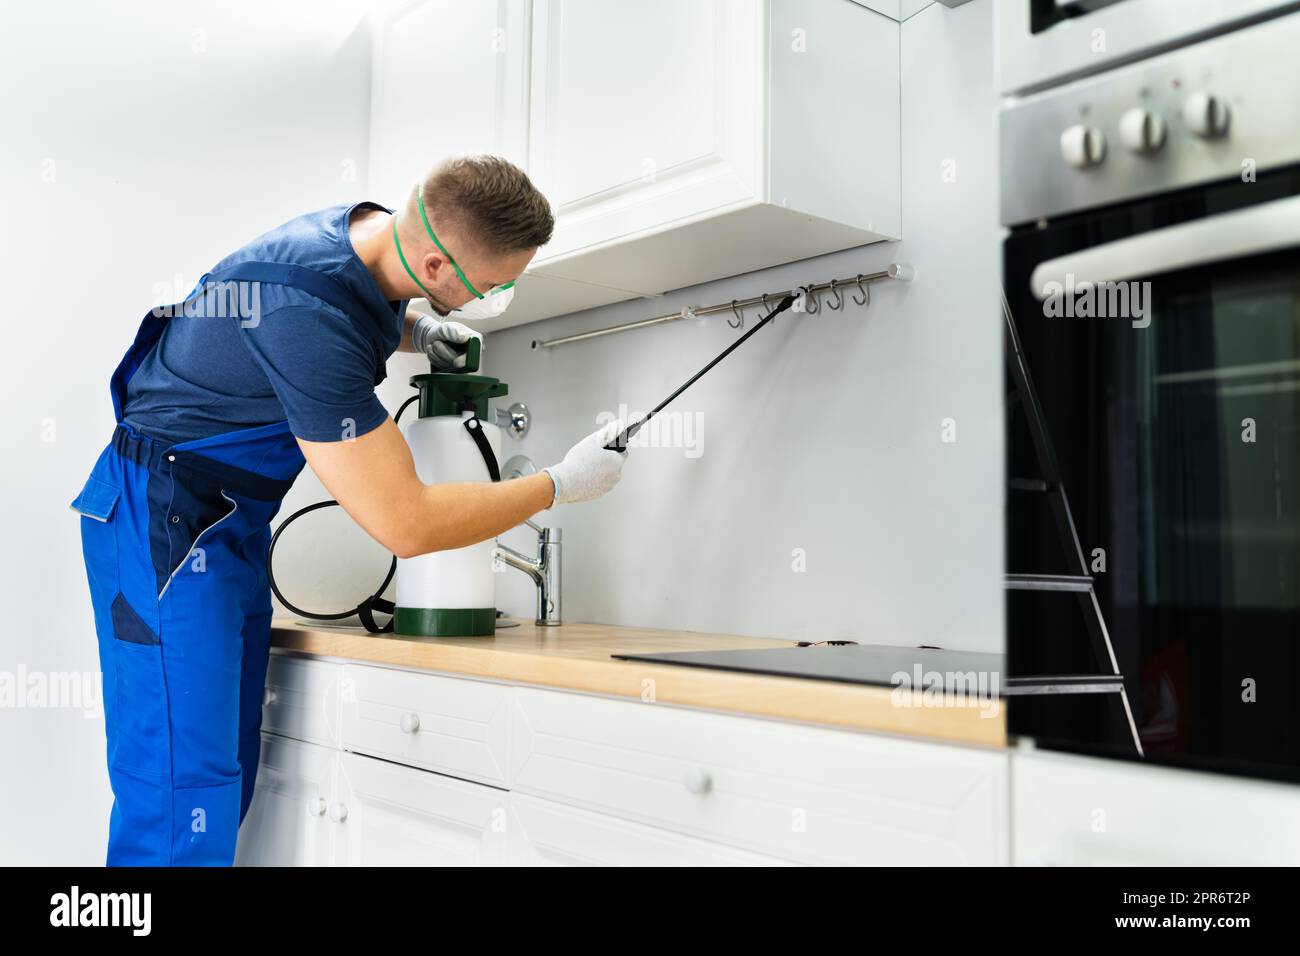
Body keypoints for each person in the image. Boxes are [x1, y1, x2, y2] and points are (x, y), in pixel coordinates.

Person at [69, 154, 628, 866]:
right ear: (433, 264)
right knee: (180, 801)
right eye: (494, 282)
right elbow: (407, 522)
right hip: (163, 522)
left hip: (221, 525)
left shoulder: (365, 238)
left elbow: (340, 307)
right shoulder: (308, 316)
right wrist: (558, 484)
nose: (500, 291)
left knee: (221, 773)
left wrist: (414, 331)